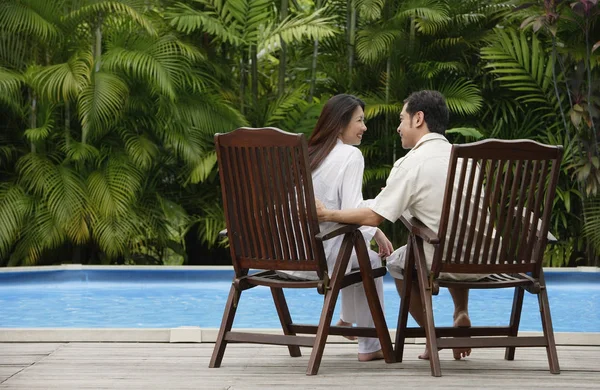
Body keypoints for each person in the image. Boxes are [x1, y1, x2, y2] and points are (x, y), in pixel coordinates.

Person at [316, 90, 482, 361]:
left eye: (402, 119)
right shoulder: (466, 160)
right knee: (454, 232)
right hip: (484, 259)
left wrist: (327, 214)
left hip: (441, 256)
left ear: (419, 119)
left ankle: (431, 337)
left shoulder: (411, 163)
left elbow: (373, 216)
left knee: (397, 261)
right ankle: (460, 310)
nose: (398, 127)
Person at [279, 94, 394, 362]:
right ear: (340, 123)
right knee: (371, 260)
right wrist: (377, 220)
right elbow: (352, 211)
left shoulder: (308, 154)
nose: (364, 127)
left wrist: (374, 230)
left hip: (287, 257)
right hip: (321, 259)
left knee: (356, 254)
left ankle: (345, 320)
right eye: (360, 120)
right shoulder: (350, 155)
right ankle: (370, 346)